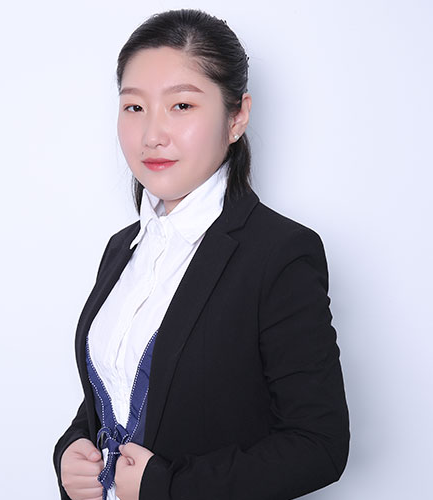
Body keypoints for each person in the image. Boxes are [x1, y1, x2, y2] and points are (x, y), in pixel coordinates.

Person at [53, 8, 350, 500]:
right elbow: (119, 390)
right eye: (134, 107)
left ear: (237, 117)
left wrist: (167, 487)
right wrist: (71, 451)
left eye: (182, 105)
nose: (152, 134)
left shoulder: (279, 254)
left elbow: (319, 445)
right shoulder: (122, 248)